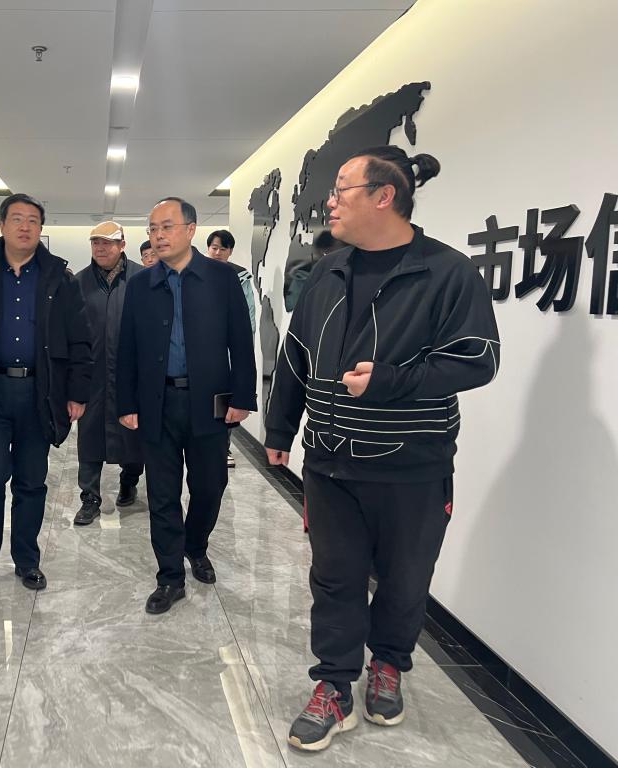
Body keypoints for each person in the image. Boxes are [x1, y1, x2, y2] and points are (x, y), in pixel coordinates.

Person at [265, 146, 500, 751]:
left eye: (342, 188)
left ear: (384, 196)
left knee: (404, 579)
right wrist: (279, 430)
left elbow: (479, 360)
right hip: (330, 462)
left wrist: (392, 380)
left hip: (413, 466)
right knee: (334, 578)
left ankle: (389, 664)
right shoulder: (327, 272)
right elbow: (295, 355)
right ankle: (334, 685)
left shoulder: (447, 272)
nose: (330, 202)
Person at [0, 193, 92, 591]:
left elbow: (81, 341)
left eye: (33, 220)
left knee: (31, 481)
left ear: (41, 229)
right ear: (3, 225)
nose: (25, 227)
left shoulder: (60, 278)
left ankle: (27, 560)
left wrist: (77, 393)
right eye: (17, 219)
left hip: (39, 394)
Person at [117, 197, 257, 614]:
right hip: (156, 402)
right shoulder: (141, 284)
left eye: (167, 227)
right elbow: (127, 348)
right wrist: (126, 401)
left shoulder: (221, 278)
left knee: (210, 485)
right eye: (152, 228)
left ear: (191, 230)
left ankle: (195, 546)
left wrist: (243, 397)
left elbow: (241, 342)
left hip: (209, 402)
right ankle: (169, 577)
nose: (158, 236)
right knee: (161, 493)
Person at [73, 221, 144, 526]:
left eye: (107, 242)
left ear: (122, 245)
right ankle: (89, 498)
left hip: (131, 375)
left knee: (133, 435)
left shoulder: (142, 279)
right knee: (89, 437)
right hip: (92, 376)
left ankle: (129, 481)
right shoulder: (78, 282)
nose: (100, 248)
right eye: (95, 243)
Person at [206, 229, 256, 469]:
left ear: (230, 251)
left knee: (225, 400)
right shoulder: (199, 274)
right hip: (204, 350)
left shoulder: (240, 277)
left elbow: (249, 318)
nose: (217, 252)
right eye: (214, 248)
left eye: (222, 249)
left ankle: (223, 446)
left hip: (227, 352)